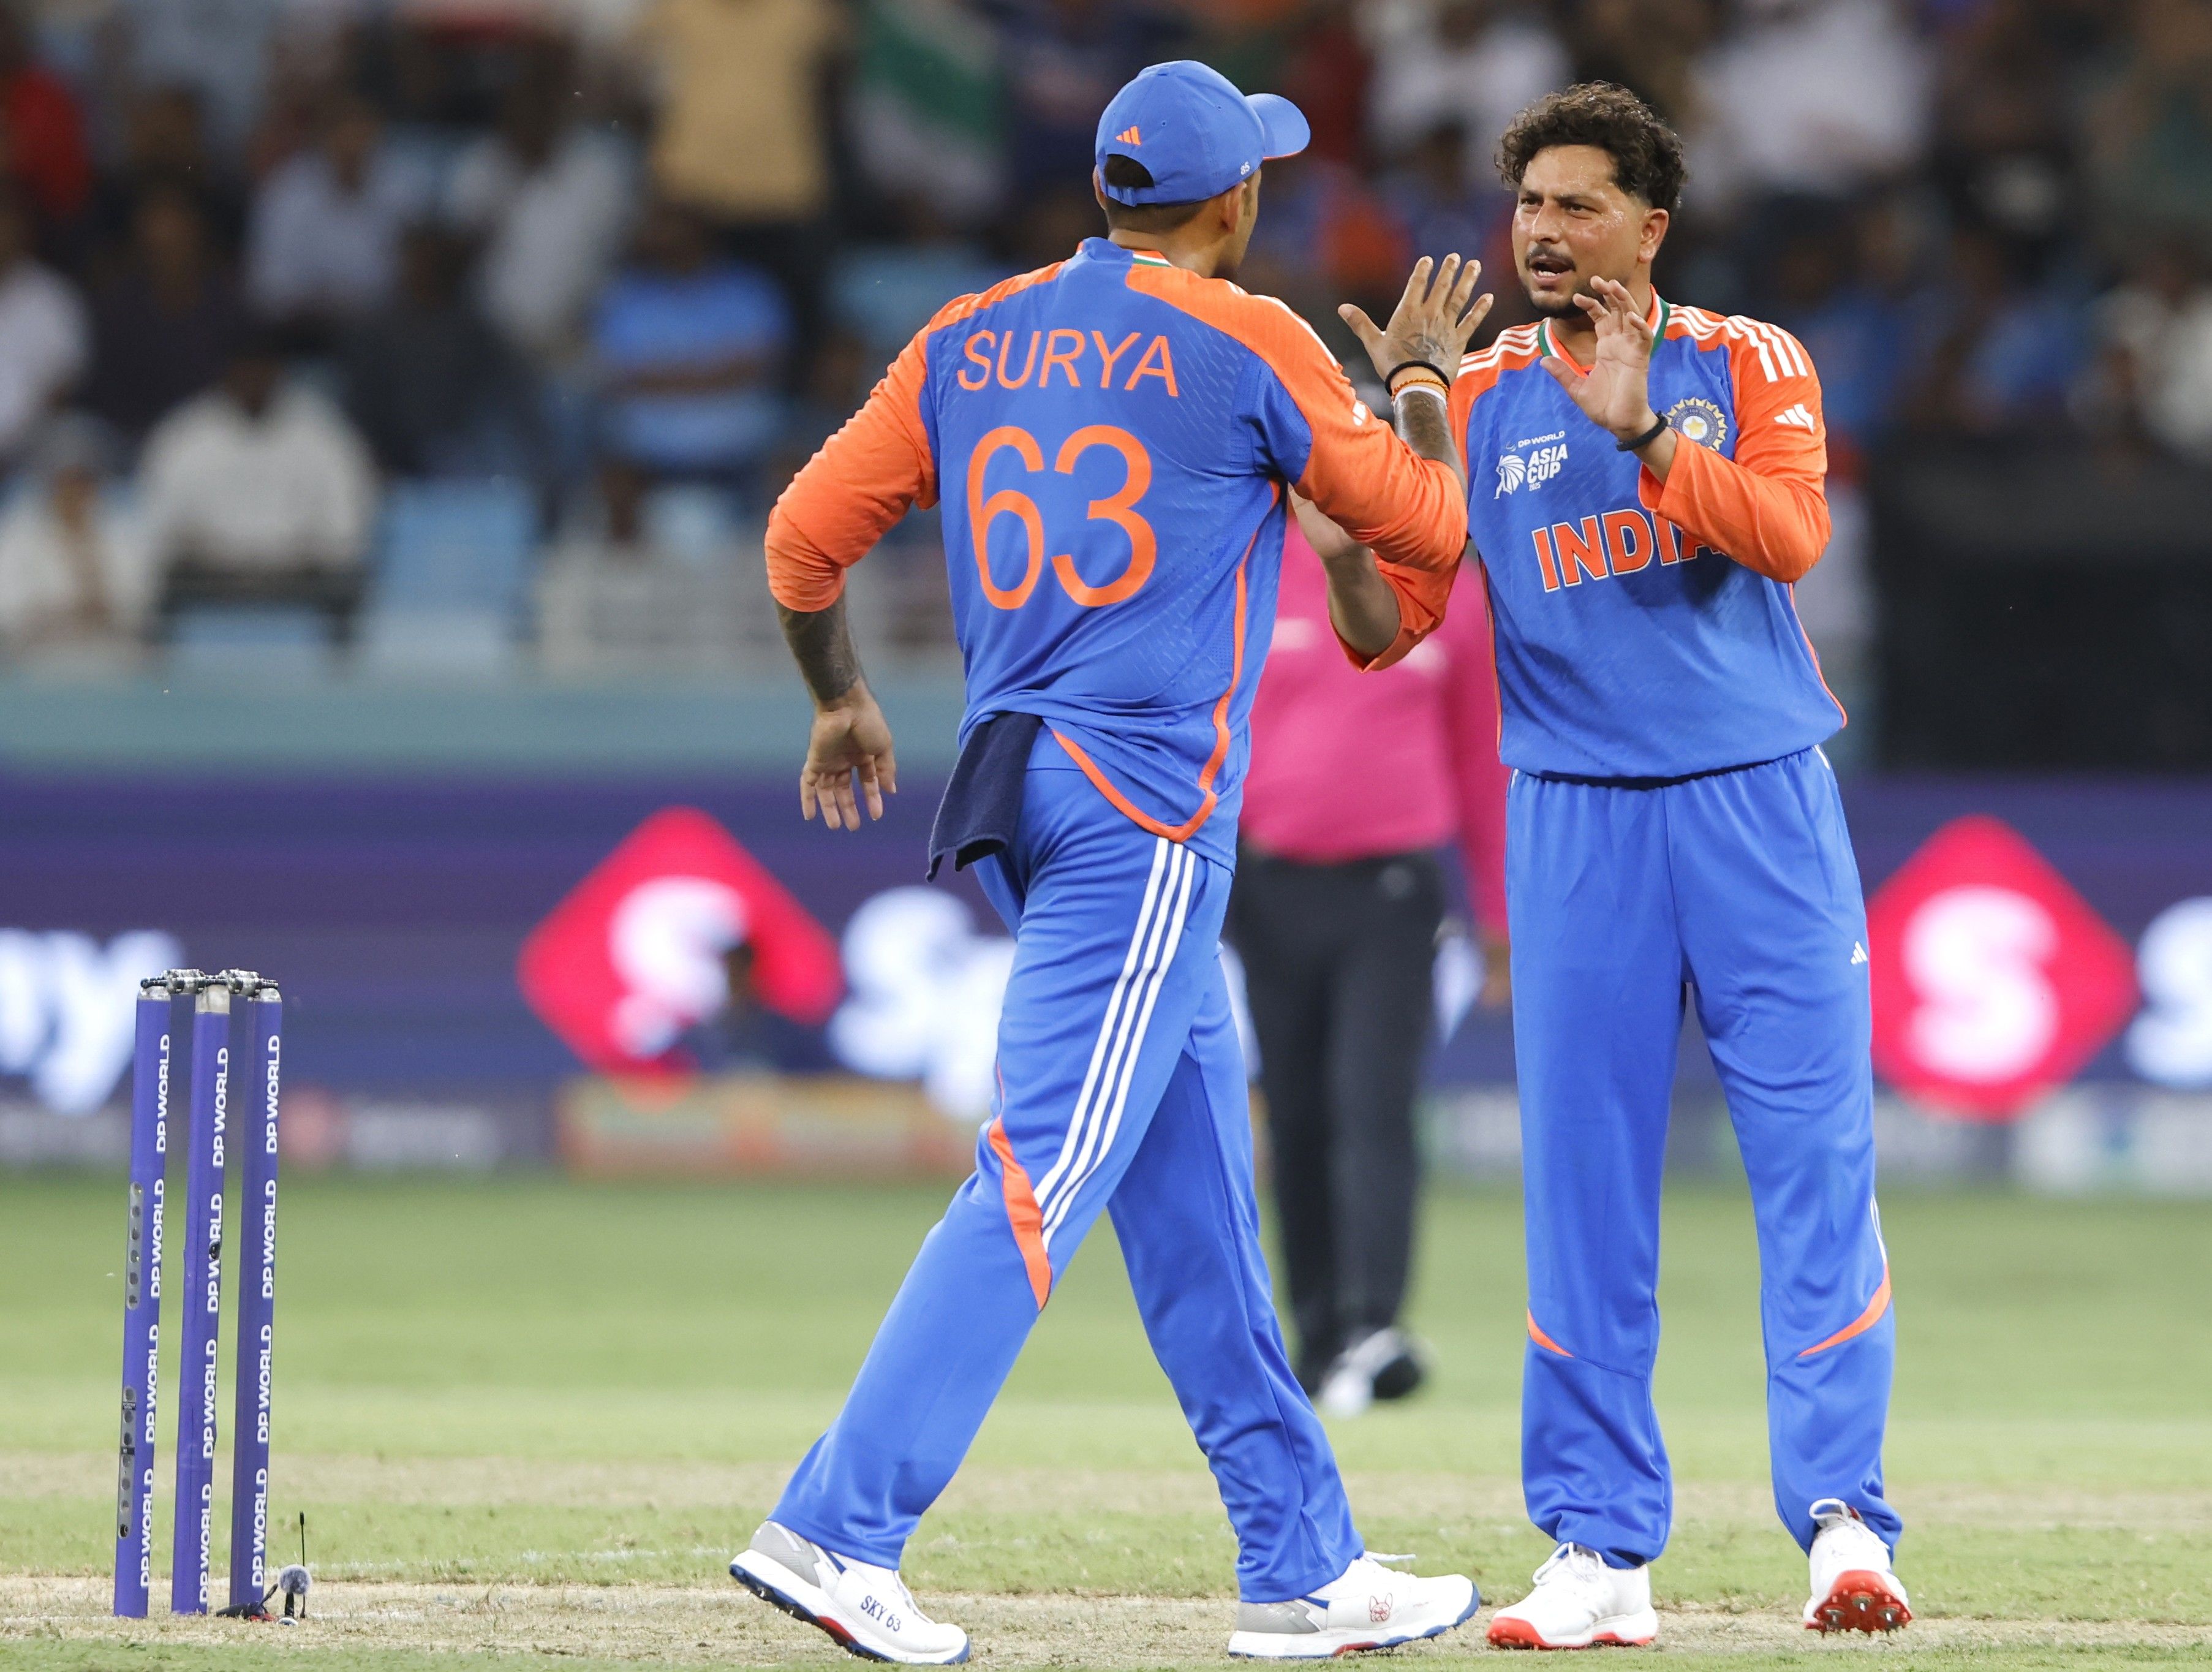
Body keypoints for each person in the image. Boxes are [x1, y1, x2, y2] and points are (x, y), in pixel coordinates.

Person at [734, 59, 1489, 1665]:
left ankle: (1301, 1561)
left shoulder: (966, 336)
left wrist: (840, 698)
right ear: (1235, 203)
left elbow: (803, 537)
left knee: (1198, 1204)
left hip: (1022, 791)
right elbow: (1423, 525)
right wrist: (1421, 383)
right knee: (1042, 1176)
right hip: (1143, 815)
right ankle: (836, 1527)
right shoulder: (1252, 339)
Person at [1373, 83, 1904, 1647]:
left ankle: (1843, 1522)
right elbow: (1383, 623)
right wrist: (1387, 443)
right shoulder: (1471, 397)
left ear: (1647, 227)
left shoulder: (1742, 360)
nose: (1541, 231)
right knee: (1582, 1186)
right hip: (1574, 819)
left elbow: (1789, 536)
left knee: (1811, 1164)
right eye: (1526, 204)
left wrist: (1642, 431)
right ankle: (1599, 1549)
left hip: (1755, 803)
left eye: (1577, 204)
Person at [1228, 510, 1508, 1416]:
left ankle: (1372, 1322)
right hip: (1266, 887)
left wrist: (1497, 917)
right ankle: (1318, 1337)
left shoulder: (1447, 595)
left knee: (1372, 1104)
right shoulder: (1253, 575)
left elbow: (1480, 758)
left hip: (1393, 890)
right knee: (1299, 1115)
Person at [141, 332, 377, 641]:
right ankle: (161, 687)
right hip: (211, 575)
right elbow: (158, 528)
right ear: (228, 374)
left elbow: (348, 528)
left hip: (297, 574)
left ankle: (341, 686)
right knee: (154, 591)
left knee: (347, 587)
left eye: (263, 371)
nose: (254, 380)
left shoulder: (324, 434)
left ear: (280, 373)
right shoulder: (185, 435)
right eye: (245, 371)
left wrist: (302, 554)